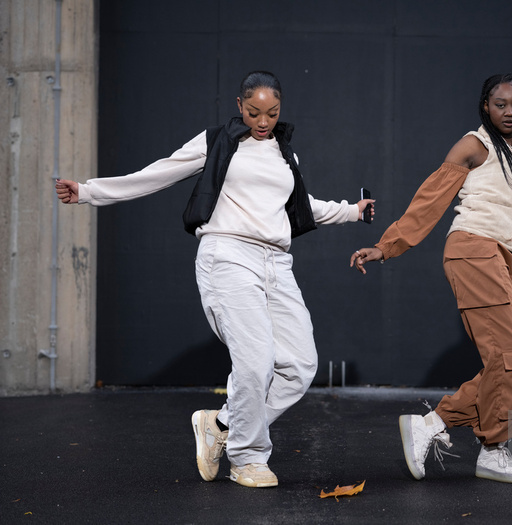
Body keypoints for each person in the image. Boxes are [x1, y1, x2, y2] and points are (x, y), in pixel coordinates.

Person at [56, 70, 375, 488]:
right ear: (240, 106)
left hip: (276, 263)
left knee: (299, 366)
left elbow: (298, 205)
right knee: (256, 361)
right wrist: (89, 191)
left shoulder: (285, 153)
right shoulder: (215, 142)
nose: (264, 122)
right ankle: (247, 457)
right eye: (255, 112)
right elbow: (159, 172)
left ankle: (221, 424)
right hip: (227, 256)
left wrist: (352, 210)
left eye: (272, 113)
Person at [350, 73, 512, 484]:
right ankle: (493, 450)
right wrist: (388, 246)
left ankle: (431, 425)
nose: (509, 111)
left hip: (509, 260)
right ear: (485, 106)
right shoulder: (474, 145)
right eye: (500, 104)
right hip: (475, 250)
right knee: (507, 358)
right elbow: (431, 198)